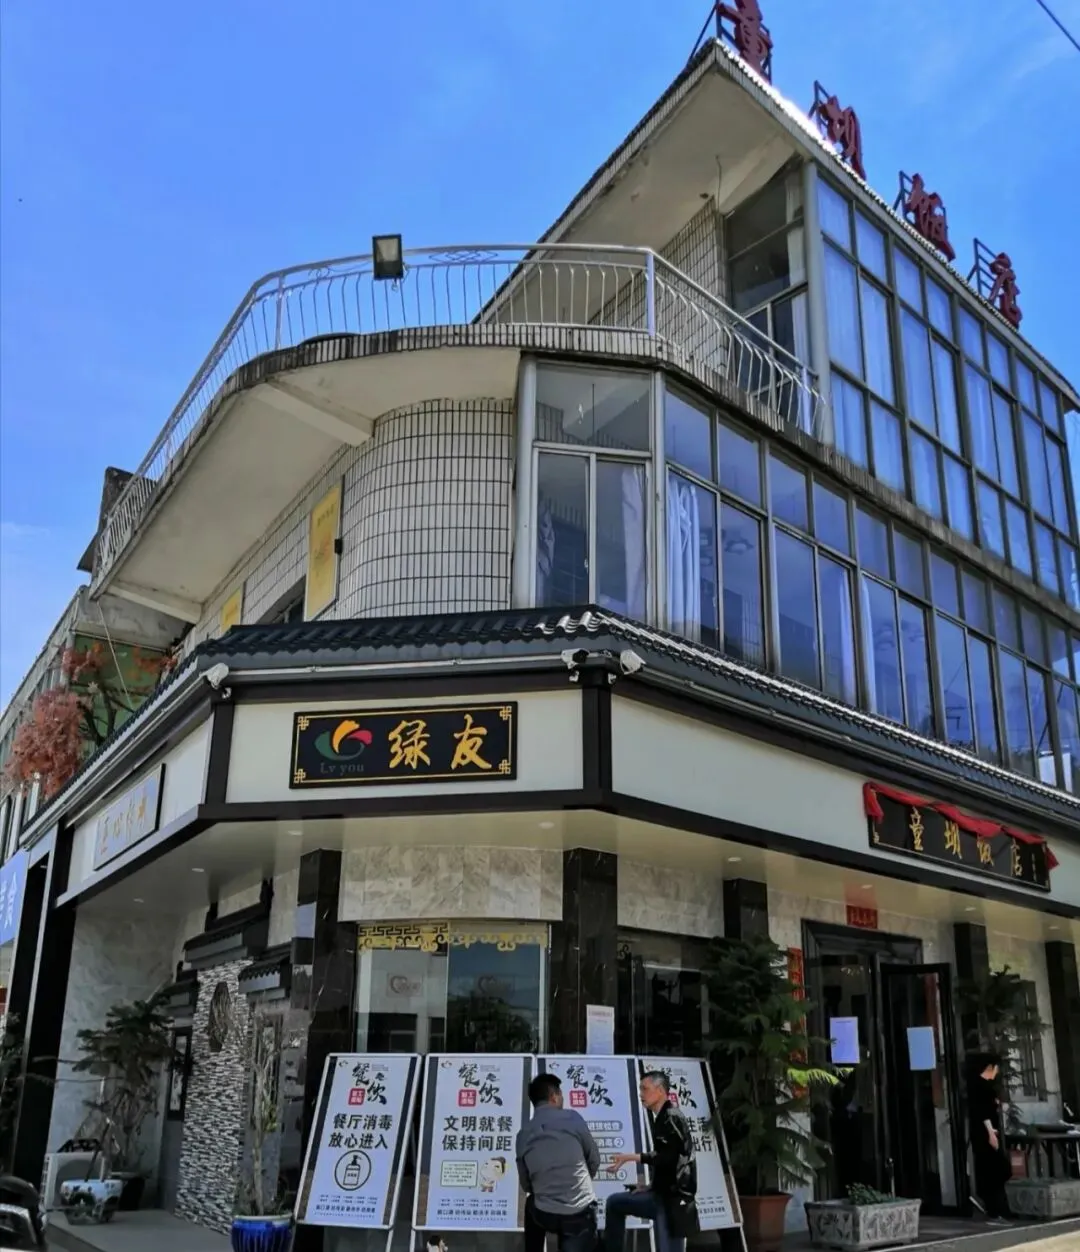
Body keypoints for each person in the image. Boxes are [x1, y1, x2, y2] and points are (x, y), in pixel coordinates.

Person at [606, 1072, 696, 1252]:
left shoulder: (672, 1117)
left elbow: (668, 1158)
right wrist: (650, 1186)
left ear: (660, 1091)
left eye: (645, 1089)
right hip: (658, 1195)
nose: (641, 1094)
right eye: (640, 1089)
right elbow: (666, 1163)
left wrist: (630, 1157)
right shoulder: (661, 1118)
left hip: (672, 1200)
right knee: (615, 1203)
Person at [516, 1073, 601, 1252]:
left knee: (531, 1203)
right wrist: (577, 1182)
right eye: (561, 1095)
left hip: (544, 1213)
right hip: (579, 1212)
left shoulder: (523, 1134)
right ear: (554, 1096)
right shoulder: (573, 1119)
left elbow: (526, 1183)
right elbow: (594, 1160)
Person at [968, 1052, 1011, 1223]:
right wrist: (990, 1133)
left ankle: (996, 1209)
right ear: (989, 1068)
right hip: (985, 1134)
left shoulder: (982, 1086)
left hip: (986, 1133)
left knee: (993, 1170)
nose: (997, 1072)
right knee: (994, 1170)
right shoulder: (981, 1087)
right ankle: (995, 1209)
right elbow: (982, 1112)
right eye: (996, 1068)